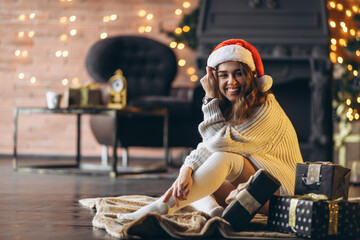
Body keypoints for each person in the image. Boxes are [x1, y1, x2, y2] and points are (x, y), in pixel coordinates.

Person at [117, 39, 303, 220]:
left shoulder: (265, 107)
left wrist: (209, 98)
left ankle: (161, 207)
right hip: (255, 191)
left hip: (282, 197)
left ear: (250, 75)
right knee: (201, 181)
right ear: (215, 77)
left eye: (238, 73)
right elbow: (209, 145)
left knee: (225, 159)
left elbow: (220, 144)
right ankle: (213, 210)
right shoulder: (235, 106)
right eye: (223, 75)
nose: (232, 81)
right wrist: (186, 169)